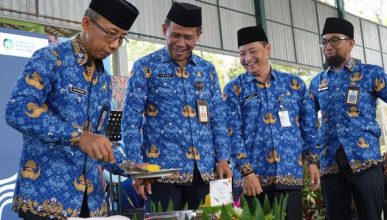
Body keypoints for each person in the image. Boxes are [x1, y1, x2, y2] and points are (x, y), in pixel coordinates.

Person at [5, 0, 139, 219]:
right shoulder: (50, 59)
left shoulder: (104, 79)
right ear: (86, 23)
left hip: (91, 202)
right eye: (111, 34)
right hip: (45, 198)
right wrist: (79, 137)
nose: (115, 45)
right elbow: (17, 110)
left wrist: (132, 169)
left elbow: (102, 140)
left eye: (122, 38)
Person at [122, 1, 232, 211]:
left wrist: (223, 159)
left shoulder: (207, 70)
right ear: (165, 30)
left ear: (198, 36)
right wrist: (136, 166)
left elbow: (218, 120)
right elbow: (130, 120)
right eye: (175, 35)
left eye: (188, 37)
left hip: (205, 173)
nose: (181, 43)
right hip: (161, 174)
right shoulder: (145, 67)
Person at [224, 26, 321, 220]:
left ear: (268, 48)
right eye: (242, 53)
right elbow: (231, 132)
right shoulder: (234, 89)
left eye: (253, 51)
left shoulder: (294, 85)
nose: (247, 58)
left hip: (289, 175)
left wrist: (312, 161)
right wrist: (246, 172)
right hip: (252, 181)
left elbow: (310, 126)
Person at [309, 17, 387, 220]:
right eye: (324, 41)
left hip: (366, 163)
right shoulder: (318, 82)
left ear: (351, 43)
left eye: (334, 40)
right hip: (330, 166)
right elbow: (306, 121)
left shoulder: (371, 73)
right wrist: (311, 158)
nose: (328, 46)